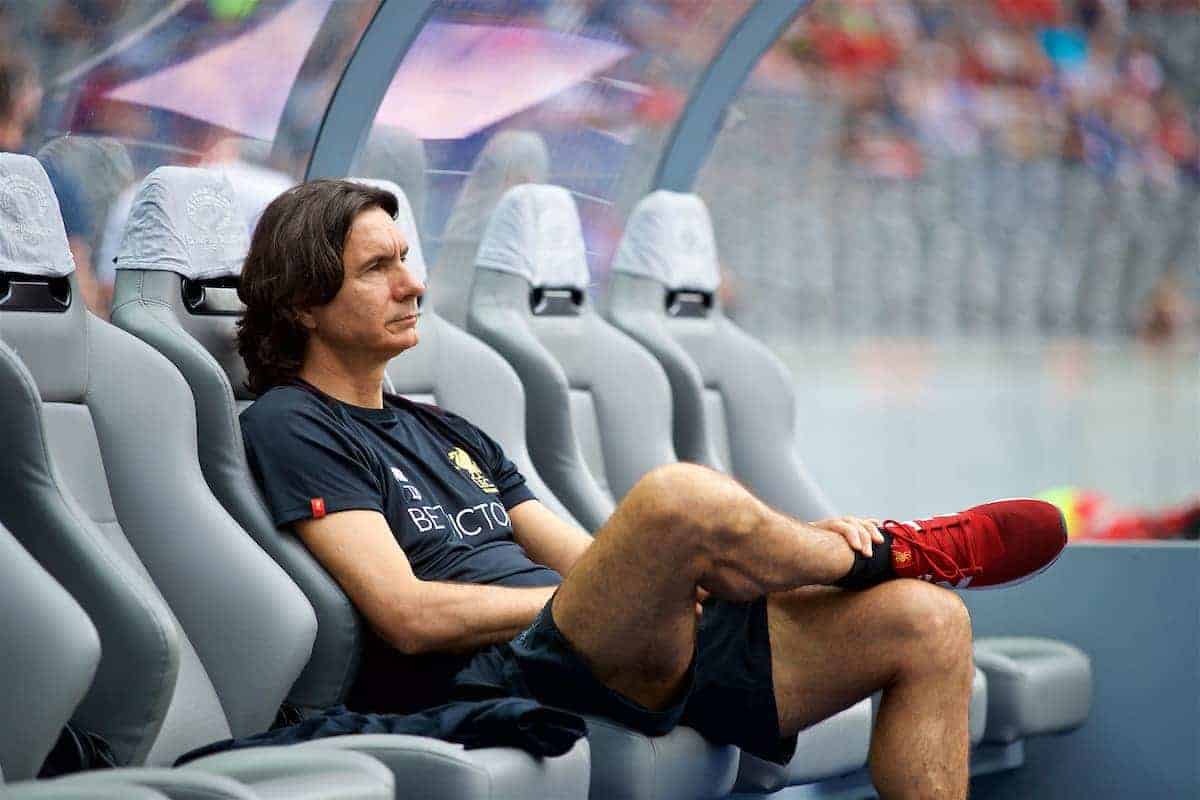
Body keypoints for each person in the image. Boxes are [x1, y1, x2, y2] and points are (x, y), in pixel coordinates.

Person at [236, 180, 1067, 800]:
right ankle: (886, 552)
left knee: (929, 622)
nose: (411, 285)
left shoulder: (451, 430)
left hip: (615, 644)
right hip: (508, 670)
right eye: (376, 269)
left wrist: (643, 585)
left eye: (405, 261)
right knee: (676, 498)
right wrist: (621, 591)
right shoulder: (292, 422)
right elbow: (407, 617)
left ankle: (874, 564)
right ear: (305, 303)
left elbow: (588, 560)